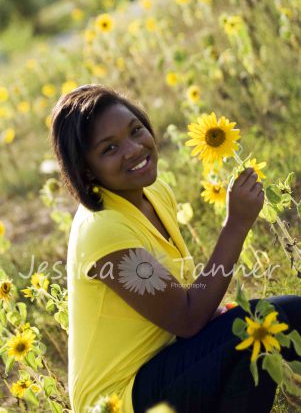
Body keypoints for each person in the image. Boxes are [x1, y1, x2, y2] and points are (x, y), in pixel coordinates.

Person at [50, 84, 301, 413]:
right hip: (119, 401)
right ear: (86, 170)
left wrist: (213, 315)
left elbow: (177, 301)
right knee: (267, 324)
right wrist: (236, 225)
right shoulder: (103, 230)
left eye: (135, 130)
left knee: (261, 332)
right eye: (109, 148)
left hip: (161, 366)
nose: (133, 149)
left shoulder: (153, 194)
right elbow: (186, 319)